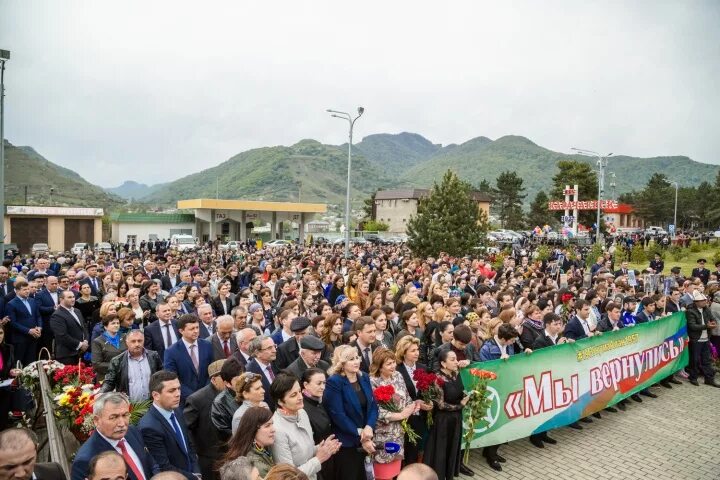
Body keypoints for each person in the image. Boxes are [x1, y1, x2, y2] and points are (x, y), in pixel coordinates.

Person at [72, 392, 159, 480]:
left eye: (125, 415)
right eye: (114, 417)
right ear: (96, 420)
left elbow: (151, 464)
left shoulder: (132, 431)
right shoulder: (84, 460)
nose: (122, 423)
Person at [269, 373, 341, 480]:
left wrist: (322, 448)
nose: (300, 397)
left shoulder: (302, 412)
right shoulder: (277, 429)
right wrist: (318, 459)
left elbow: (304, 453)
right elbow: (288, 476)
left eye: (299, 392)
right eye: (293, 395)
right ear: (280, 401)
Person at [323, 345, 379, 480]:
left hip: (367, 437)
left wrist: (369, 427)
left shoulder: (364, 377)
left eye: (357, 357)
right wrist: (362, 433)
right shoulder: (334, 382)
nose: (356, 361)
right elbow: (338, 415)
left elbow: (373, 406)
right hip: (347, 443)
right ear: (342, 363)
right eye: (351, 359)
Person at [138, 371, 201, 480]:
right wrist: (193, 477)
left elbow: (189, 446)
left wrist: (197, 472)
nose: (178, 394)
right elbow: (164, 467)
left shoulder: (176, 410)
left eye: (179, 389)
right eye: (171, 391)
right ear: (156, 395)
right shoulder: (149, 427)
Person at [369, 348, 417, 480]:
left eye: (394, 362)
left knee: (395, 471)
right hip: (383, 435)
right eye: (389, 364)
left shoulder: (397, 375)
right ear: (379, 366)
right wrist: (400, 415)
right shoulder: (372, 381)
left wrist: (412, 406)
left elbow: (407, 397)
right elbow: (375, 410)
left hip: (399, 432)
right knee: (383, 474)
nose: (393, 366)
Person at [422, 350, 470, 480]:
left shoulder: (456, 374)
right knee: (441, 452)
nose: (456, 362)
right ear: (443, 363)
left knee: (452, 449)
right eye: (452, 359)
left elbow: (460, 391)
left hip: (456, 419)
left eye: (456, 359)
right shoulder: (438, 379)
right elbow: (441, 405)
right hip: (443, 421)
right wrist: (461, 405)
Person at [184, 360, 226, 480]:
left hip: (229, 456)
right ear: (213, 379)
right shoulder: (196, 400)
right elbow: (187, 429)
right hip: (209, 460)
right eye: (224, 377)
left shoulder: (233, 394)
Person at [394, 336, 432, 465]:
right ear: (403, 352)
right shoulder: (396, 369)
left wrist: (428, 401)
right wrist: (415, 403)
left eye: (417, 350)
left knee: (416, 450)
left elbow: (427, 391)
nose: (417, 353)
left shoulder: (423, 367)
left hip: (420, 416)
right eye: (412, 350)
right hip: (404, 417)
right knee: (405, 450)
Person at [163, 314, 214, 404]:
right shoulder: (171, 352)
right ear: (181, 331)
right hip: (185, 401)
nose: (196, 331)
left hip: (207, 398)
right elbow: (172, 378)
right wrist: (193, 397)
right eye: (192, 329)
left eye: (197, 327)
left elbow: (212, 371)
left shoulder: (207, 345)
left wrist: (205, 392)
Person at [100, 330, 163, 401]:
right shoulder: (117, 361)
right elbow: (109, 382)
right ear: (127, 342)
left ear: (144, 341)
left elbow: (161, 377)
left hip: (153, 403)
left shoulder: (153, 356)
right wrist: (101, 393)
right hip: (129, 407)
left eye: (140, 341)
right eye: (133, 341)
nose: (137, 344)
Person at [220, 406, 276, 478]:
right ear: (253, 430)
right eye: (267, 426)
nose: (273, 429)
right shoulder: (256, 465)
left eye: (272, 424)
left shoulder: (259, 449)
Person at [0, 428, 66, 480]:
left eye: (27, 462)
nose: (21, 474)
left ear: (36, 450)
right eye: (10, 467)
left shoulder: (55, 473)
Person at [685, 290, 720, 387]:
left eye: (705, 300)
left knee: (707, 360)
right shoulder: (690, 312)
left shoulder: (706, 309)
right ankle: (693, 377)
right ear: (696, 302)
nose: (705, 302)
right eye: (702, 300)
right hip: (696, 340)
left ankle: (709, 379)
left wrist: (713, 322)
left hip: (706, 339)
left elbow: (712, 318)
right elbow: (692, 326)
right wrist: (706, 326)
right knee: (694, 360)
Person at [5, 279, 42, 366]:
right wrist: (28, 330)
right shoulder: (11, 304)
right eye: (24, 289)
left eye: (28, 289)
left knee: (31, 363)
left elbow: (38, 316)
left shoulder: (32, 301)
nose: (27, 291)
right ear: (17, 291)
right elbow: (13, 323)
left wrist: (39, 327)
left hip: (33, 337)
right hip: (20, 339)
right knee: (19, 363)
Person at [50, 290, 90, 365]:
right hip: (67, 355)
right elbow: (62, 336)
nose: (73, 299)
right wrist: (80, 345)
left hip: (81, 353)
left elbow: (84, 327)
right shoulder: (57, 315)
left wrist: (86, 341)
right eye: (69, 297)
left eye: (73, 297)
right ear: (61, 299)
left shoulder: (77, 311)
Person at [210, 357, 244, 440]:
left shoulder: (251, 391)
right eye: (237, 380)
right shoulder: (220, 403)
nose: (242, 383)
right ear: (227, 383)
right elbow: (225, 434)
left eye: (243, 378)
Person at [245, 335, 279, 408]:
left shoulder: (275, 363)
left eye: (274, 346)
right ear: (257, 353)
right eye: (269, 348)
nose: (274, 350)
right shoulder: (249, 372)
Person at [92, 315, 128, 379]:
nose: (116, 325)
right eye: (113, 323)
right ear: (105, 326)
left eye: (118, 323)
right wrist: (117, 366)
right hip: (107, 377)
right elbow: (97, 364)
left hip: (124, 375)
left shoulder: (125, 337)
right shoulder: (98, 341)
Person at [0, 327, 22, 431]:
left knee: (3, 421)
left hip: (4, 389)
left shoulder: (9, 348)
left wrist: (12, 371)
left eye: (0, 333)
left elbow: (11, 367)